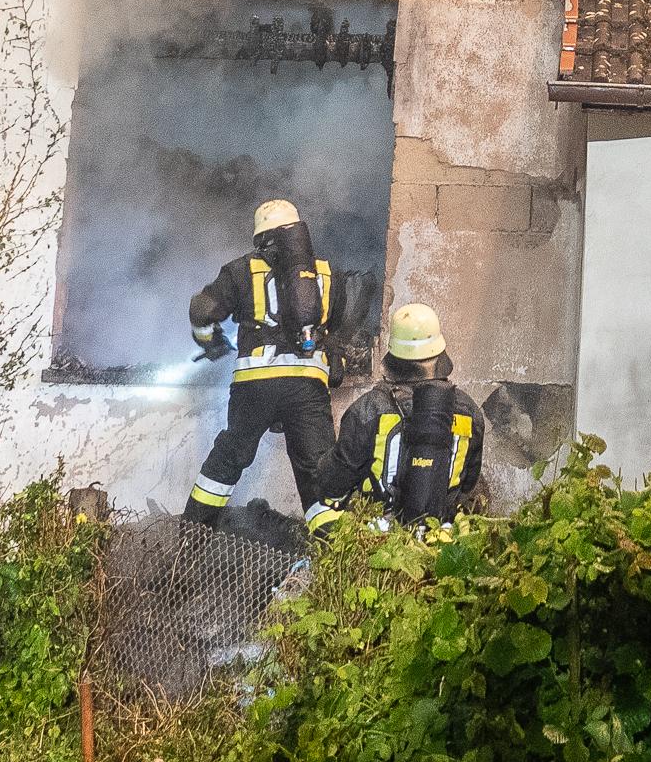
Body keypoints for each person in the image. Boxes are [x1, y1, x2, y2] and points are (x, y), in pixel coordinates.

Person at [182, 197, 341, 527]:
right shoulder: (325, 272)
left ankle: (192, 535)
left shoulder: (242, 269)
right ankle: (334, 555)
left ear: (260, 236)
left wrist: (210, 342)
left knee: (230, 456)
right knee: (318, 471)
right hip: (308, 386)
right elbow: (338, 328)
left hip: (255, 385)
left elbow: (201, 310)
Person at [321, 302, 487, 529]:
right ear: (440, 353)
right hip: (443, 539)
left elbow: (334, 480)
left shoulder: (369, 410)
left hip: (376, 541)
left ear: (394, 357)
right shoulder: (470, 413)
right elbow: (468, 484)